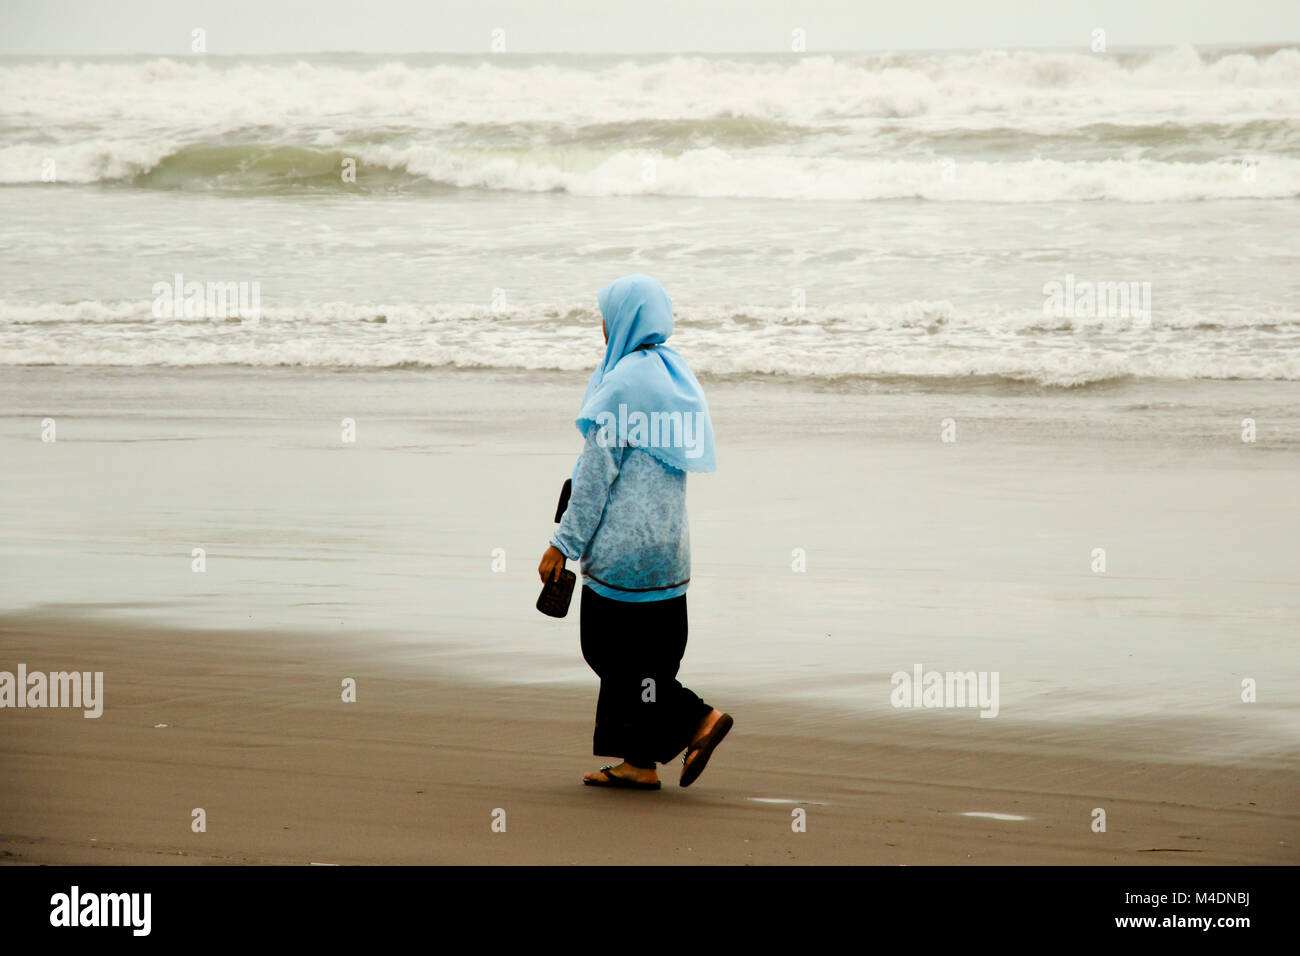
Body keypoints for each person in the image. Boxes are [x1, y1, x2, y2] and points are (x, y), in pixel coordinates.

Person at [538, 274, 732, 790]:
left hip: (623, 555)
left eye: (606, 313)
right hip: (669, 554)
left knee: (608, 655)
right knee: (652, 662)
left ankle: (698, 719)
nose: (602, 324)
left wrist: (562, 544)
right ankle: (639, 763)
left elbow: (597, 477)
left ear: (624, 318)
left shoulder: (621, 383)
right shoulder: (676, 378)